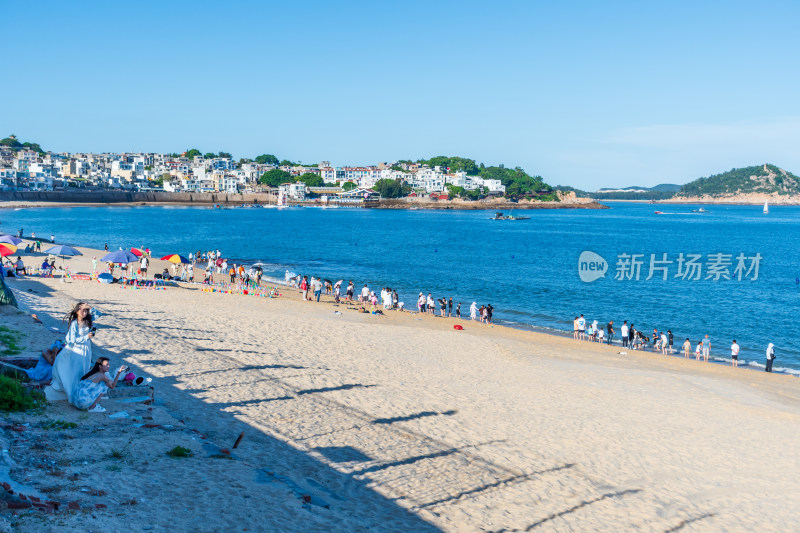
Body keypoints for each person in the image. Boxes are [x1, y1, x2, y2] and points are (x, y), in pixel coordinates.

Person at [45, 303, 95, 403]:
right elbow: (72, 340)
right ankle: (73, 394)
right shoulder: (74, 324)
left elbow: (99, 314)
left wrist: (89, 307)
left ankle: (80, 392)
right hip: (77, 349)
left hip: (86, 348)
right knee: (76, 371)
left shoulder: (87, 320)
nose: (84, 312)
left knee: (84, 369)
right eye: (82, 310)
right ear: (76, 311)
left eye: (86, 310)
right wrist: (86, 337)